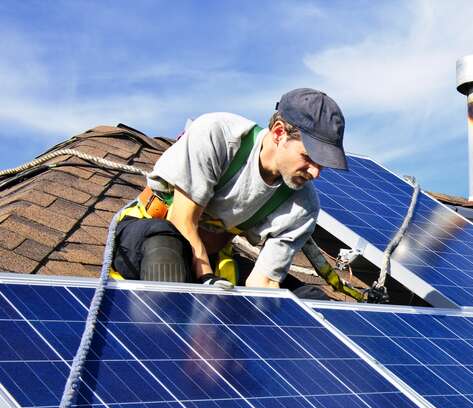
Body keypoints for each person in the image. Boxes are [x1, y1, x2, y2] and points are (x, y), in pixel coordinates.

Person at [112, 88, 365, 299]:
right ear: (279, 133)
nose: (315, 173)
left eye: (323, 164)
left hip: (214, 259)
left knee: (306, 299)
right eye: (309, 158)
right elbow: (181, 221)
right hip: (148, 236)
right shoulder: (218, 135)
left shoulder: (303, 206)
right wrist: (207, 282)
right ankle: (165, 347)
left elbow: (263, 283)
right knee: (166, 248)